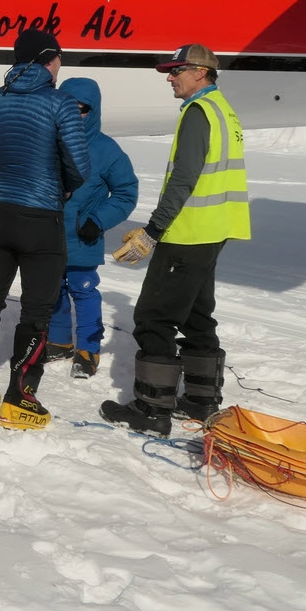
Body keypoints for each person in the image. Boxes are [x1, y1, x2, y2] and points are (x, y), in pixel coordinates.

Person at [100, 44, 250, 436]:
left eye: (176, 70)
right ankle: (200, 400)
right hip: (213, 231)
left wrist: (153, 231)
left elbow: (184, 179)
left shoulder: (199, 112)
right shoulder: (222, 109)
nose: (170, 77)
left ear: (200, 72)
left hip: (188, 232)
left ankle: (152, 409)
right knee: (197, 314)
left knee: (154, 317)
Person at [0, 28, 91, 431]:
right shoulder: (60, 102)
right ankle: (20, 398)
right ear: (50, 58)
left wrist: (7, 175)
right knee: (36, 310)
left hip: (1, 213)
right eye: (60, 57)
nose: (61, 64)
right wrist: (59, 185)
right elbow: (79, 165)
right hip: (41, 218)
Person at [45, 78, 139, 378]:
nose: (75, 114)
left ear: (93, 110)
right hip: (46, 233)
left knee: (83, 291)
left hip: (82, 235)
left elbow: (126, 192)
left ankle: (88, 349)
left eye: (82, 108)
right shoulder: (47, 139)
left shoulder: (105, 149)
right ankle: (59, 342)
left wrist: (97, 220)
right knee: (52, 289)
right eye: (68, 107)